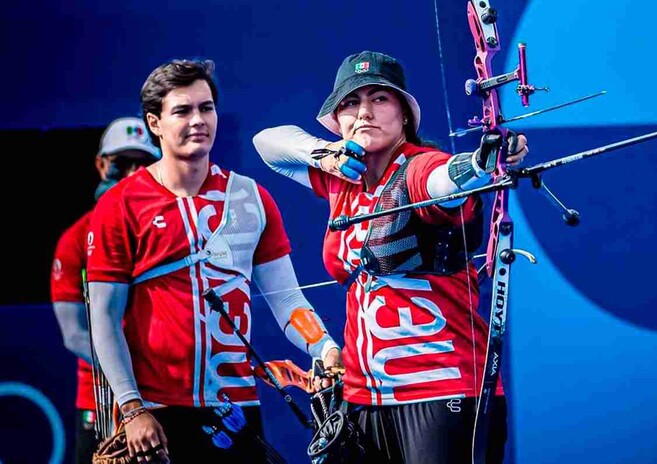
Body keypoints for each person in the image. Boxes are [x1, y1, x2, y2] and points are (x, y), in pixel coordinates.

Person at [252, 50, 528, 463]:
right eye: (350, 102)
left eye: (380, 99)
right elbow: (266, 143)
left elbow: (441, 182)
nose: (364, 112)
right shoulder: (341, 178)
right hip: (364, 398)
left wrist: (478, 162)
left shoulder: (420, 166)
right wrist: (324, 154)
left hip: (442, 392)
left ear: (404, 115)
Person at [85, 58, 342, 463]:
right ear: (155, 123)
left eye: (206, 108)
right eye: (182, 110)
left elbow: (289, 302)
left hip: (236, 412)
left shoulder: (252, 199)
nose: (198, 120)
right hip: (155, 416)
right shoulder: (120, 205)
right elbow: (102, 318)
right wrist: (133, 408)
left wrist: (326, 349)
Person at [51, 116, 160, 463]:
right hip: (101, 400)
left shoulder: (167, 232)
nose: (131, 174)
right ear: (101, 165)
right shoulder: (74, 241)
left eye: (142, 164)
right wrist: (128, 376)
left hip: (167, 393)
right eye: (121, 163)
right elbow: (74, 334)